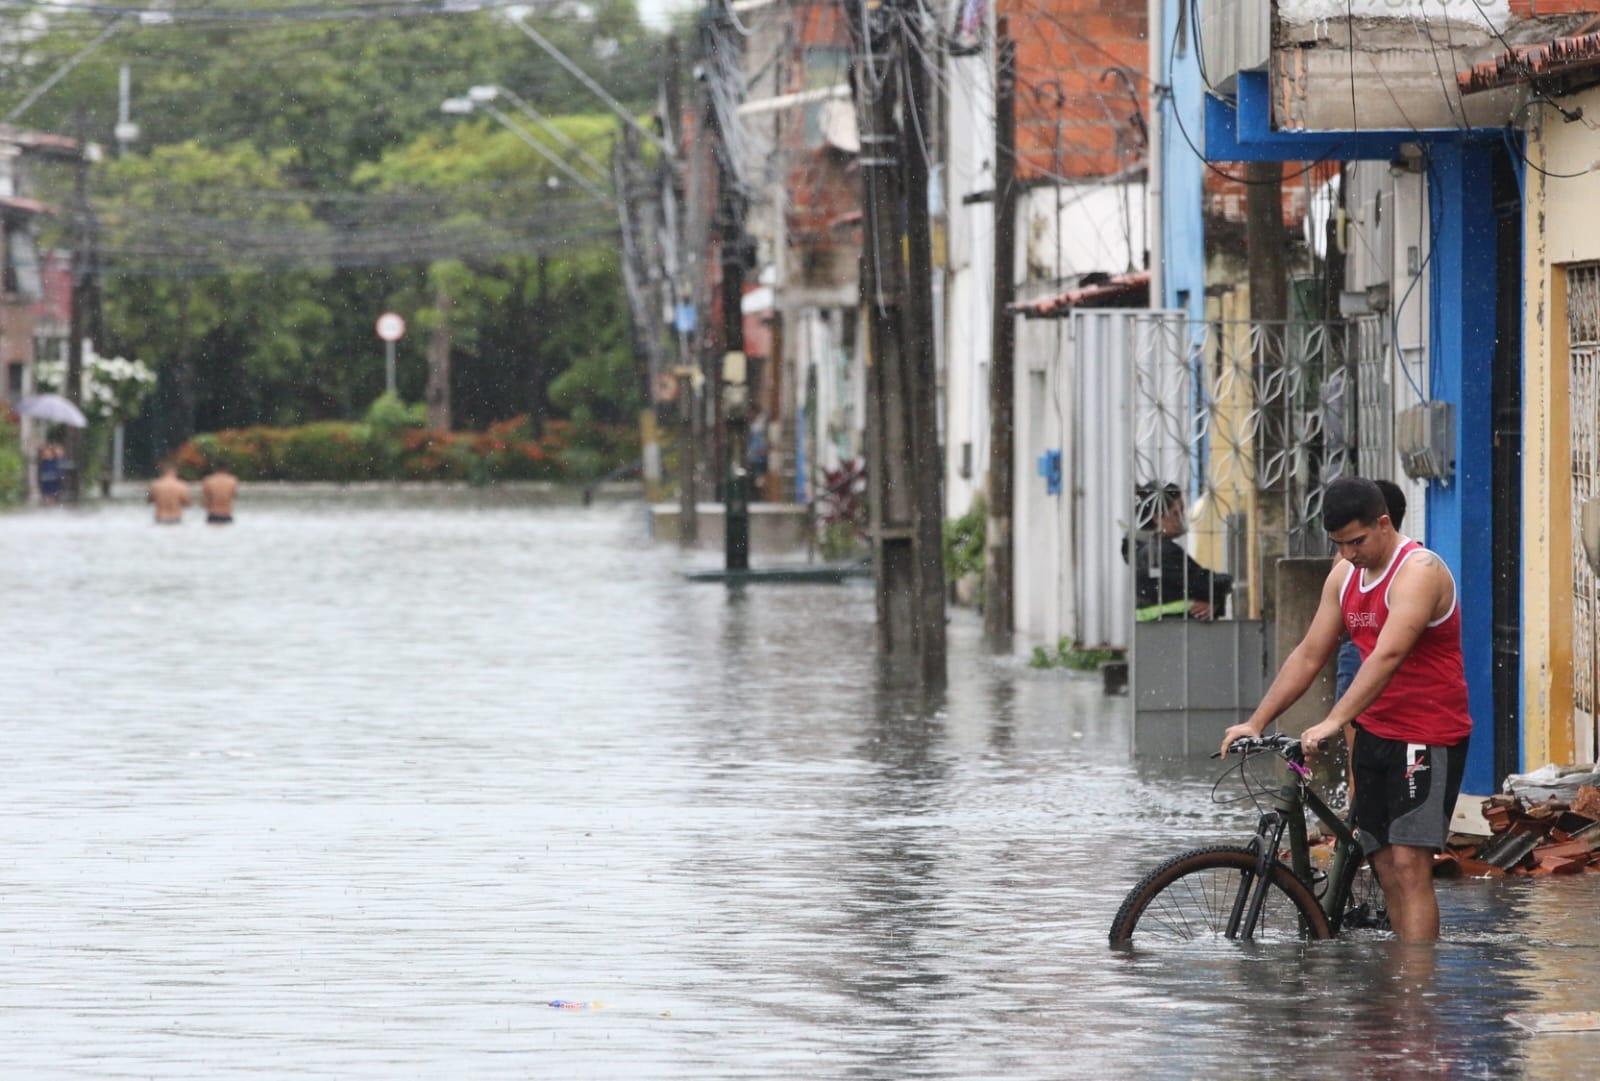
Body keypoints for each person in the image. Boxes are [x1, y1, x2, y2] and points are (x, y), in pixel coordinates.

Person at [1221, 476, 1471, 943]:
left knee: (1409, 865)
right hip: (1375, 733)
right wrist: (1256, 720)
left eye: (1356, 541)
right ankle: (1403, 981)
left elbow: (1389, 655)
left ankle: (1417, 996)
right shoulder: (1343, 575)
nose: (1349, 554)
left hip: (1427, 734)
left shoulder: (1419, 570)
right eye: (1339, 545)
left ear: (1383, 524)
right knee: (1382, 866)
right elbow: (1309, 654)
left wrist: (1335, 720)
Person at [1122, 481, 1233, 621]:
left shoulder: (1145, 549)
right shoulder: (1161, 552)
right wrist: (1228, 583)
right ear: (1157, 518)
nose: (1182, 518)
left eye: (1183, 511)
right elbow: (1202, 584)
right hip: (1175, 631)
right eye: (1177, 512)